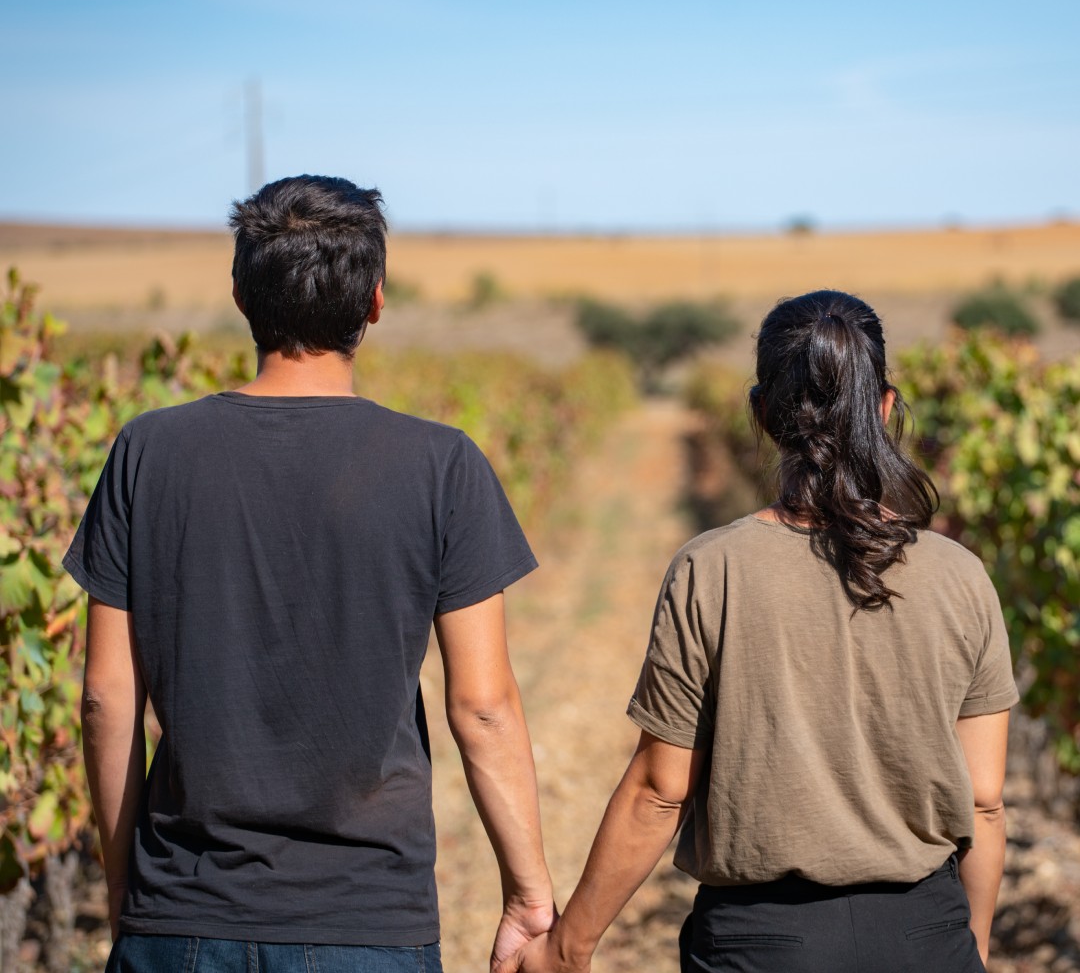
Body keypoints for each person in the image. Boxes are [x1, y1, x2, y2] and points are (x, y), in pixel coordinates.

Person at [65, 175, 556, 973]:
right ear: (375, 302)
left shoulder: (146, 453)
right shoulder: (441, 466)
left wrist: (128, 892)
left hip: (181, 914)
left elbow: (103, 697)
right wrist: (530, 898)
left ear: (239, 293)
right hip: (368, 922)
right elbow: (485, 707)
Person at [498, 290, 1018, 973]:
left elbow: (659, 788)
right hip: (925, 934)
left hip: (761, 945)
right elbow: (982, 804)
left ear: (762, 414)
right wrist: (967, 942)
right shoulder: (961, 576)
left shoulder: (711, 569)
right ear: (886, 408)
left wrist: (568, 947)